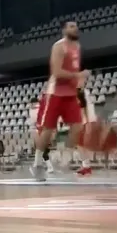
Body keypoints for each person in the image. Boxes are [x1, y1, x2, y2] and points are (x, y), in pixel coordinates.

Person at [32, 21, 92, 182]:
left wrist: (78, 81)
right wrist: (78, 75)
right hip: (55, 93)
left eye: (76, 26)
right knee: (47, 129)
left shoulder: (77, 47)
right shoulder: (58, 47)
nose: (75, 28)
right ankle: (38, 162)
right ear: (64, 30)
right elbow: (57, 72)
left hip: (70, 94)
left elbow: (73, 70)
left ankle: (74, 160)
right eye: (71, 26)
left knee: (78, 127)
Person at [28, 93, 54, 173]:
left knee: (42, 151)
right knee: (40, 150)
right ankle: (37, 165)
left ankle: (45, 167)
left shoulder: (34, 110)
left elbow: (33, 121)